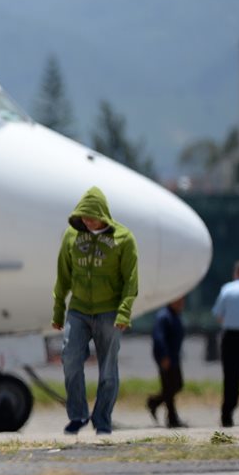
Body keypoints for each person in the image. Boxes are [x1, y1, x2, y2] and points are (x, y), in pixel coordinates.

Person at [53, 187, 138, 436]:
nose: (87, 222)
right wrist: (58, 310)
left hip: (109, 312)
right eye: (83, 217)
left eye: (91, 217)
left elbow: (130, 279)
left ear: (103, 214)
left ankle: (102, 419)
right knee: (69, 359)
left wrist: (124, 312)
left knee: (108, 369)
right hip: (78, 310)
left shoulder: (124, 238)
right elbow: (63, 276)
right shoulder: (71, 236)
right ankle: (78, 415)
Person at [147, 297, 187, 429]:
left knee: (175, 385)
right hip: (166, 358)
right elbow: (159, 337)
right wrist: (164, 356)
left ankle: (155, 402)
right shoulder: (163, 317)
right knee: (170, 386)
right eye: (179, 301)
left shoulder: (175, 316)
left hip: (174, 357)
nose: (182, 304)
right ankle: (172, 419)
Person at [214, 261, 239, 428]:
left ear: (236, 273)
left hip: (230, 337)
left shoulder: (227, 289)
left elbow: (218, 315)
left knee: (230, 378)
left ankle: (227, 415)